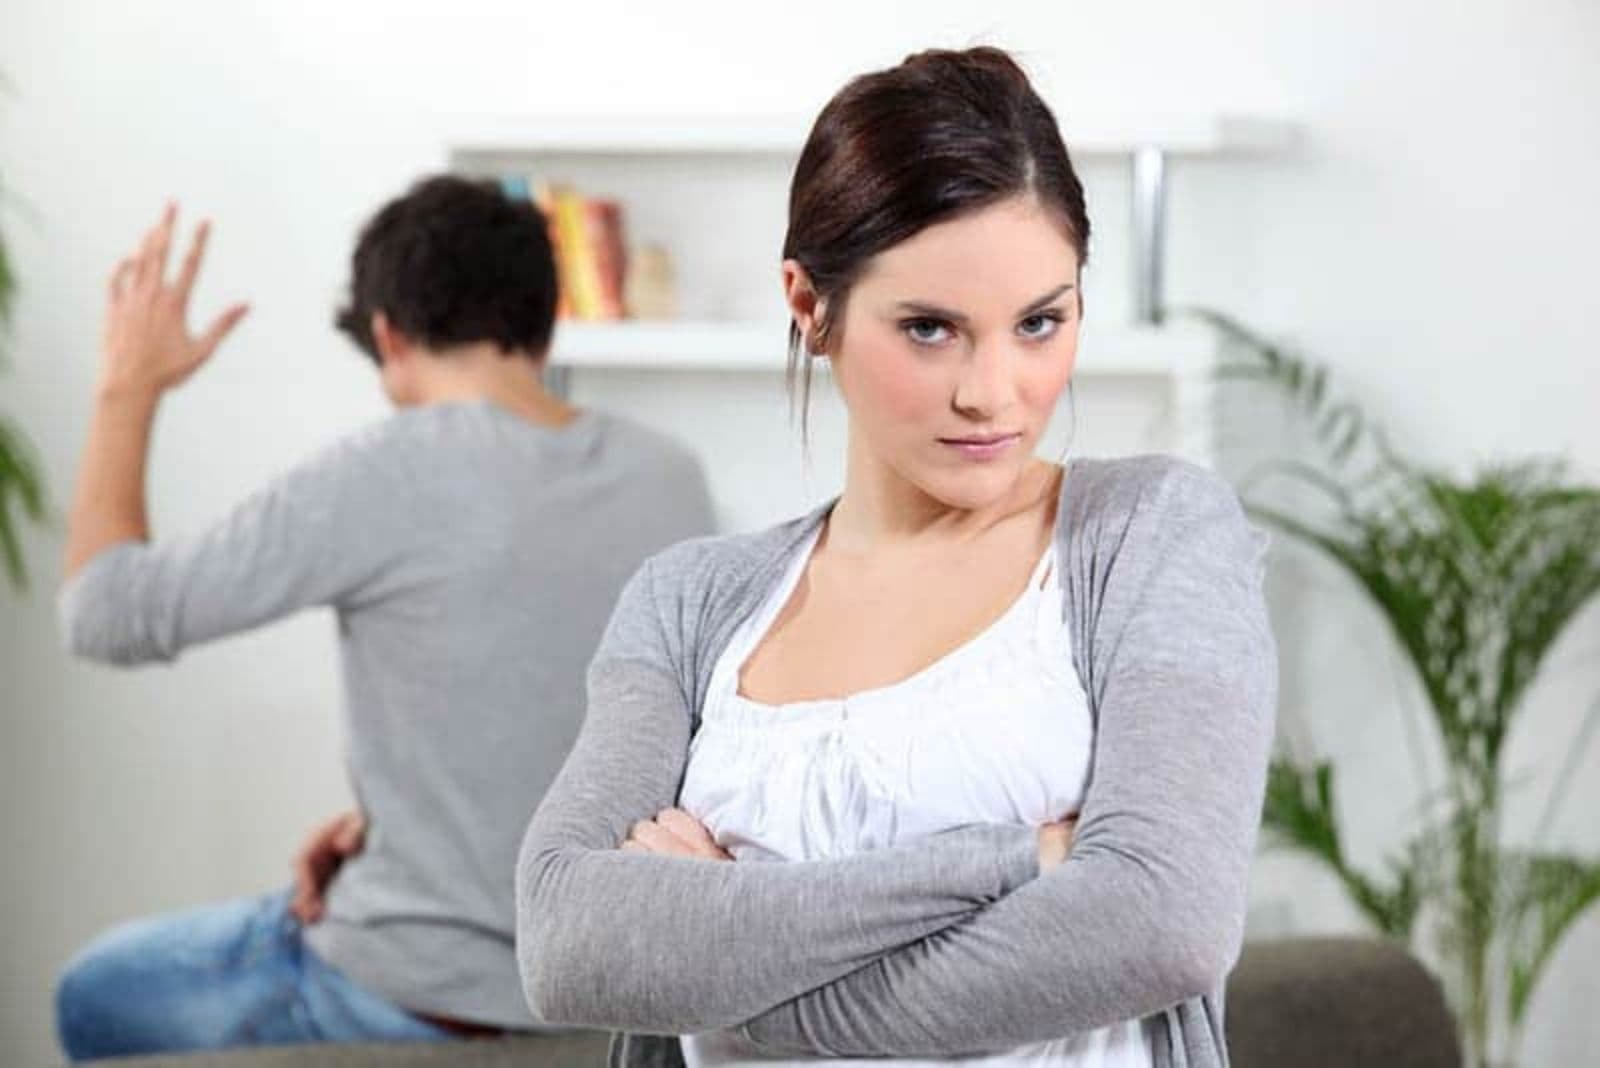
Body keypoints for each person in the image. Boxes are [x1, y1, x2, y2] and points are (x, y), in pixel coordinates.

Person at [514, 47, 1276, 1068]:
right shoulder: (689, 604)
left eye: (1039, 323)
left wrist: (722, 958)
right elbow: (568, 943)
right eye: (929, 329)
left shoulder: (1151, 535)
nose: (992, 392)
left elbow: (1160, 923)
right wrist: (1014, 862)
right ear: (807, 304)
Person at [53, 174, 715, 1059]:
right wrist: (389, 822)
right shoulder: (666, 474)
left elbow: (106, 613)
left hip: (413, 990)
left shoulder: (389, 467)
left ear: (389, 336)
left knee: (95, 993)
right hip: (603, 994)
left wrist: (124, 390)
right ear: (545, 323)